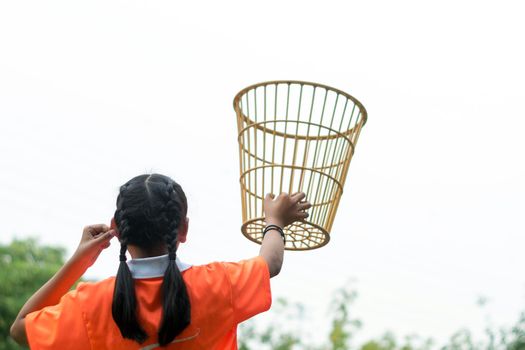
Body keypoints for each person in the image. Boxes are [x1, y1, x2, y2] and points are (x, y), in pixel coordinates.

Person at [10, 173, 311, 349]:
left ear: (117, 226)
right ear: (183, 229)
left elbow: (21, 328)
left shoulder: (92, 304)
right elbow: (270, 264)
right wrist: (275, 221)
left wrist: (80, 261)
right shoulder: (216, 285)